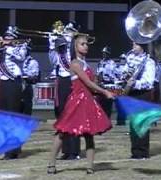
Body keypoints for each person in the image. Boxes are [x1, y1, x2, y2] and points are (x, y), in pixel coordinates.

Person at [47, 34, 113, 174]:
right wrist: (105, 92)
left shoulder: (86, 63)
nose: (86, 46)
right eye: (82, 44)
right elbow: (88, 83)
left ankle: (90, 167)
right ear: (75, 47)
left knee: (89, 134)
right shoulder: (75, 63)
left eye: (86, 44)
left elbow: (92, 84)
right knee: (62, 132)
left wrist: (103, 90)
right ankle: (51, 164)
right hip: (76, 101)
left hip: (87, 101)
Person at [0, 27, 28, 160]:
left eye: (9, 37)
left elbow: (21, 57)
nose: (6, 39)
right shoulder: (0, 49)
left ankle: (13, 150)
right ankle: (9, 149)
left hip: (13, 82)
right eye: (6, 37)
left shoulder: (20, 47)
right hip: (3, 82)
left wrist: (8, 48)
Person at [123, 42, 155, 159]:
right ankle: (135, 151)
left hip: (142, 94)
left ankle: (143, 152)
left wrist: (135, 83)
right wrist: (125, 77)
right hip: (132, 93)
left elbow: (149, 82)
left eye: (135, 45)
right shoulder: (130, 59)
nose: (132, 46)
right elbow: (124, 73)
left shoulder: (149, 62)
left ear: (142, 47)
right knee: (133, 124)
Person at [96, 46, 116, 118]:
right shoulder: (100, 62)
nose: (104, 54)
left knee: (108, 102)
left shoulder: (112, 63)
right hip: (102, 84)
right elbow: (98, 73)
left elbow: (113, 75)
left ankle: (108, 118)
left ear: (109, 54)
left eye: (106, 53)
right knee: (101, 102)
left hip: (109, 83)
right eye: (103, 53)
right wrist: (98, 82)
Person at [22, 41, 39, 115]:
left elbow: (35, 77)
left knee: (27, 105)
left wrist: (26, 77)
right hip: (15, 86)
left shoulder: (33, 62)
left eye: (25, 49)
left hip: (26, 86)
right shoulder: (14, 61)